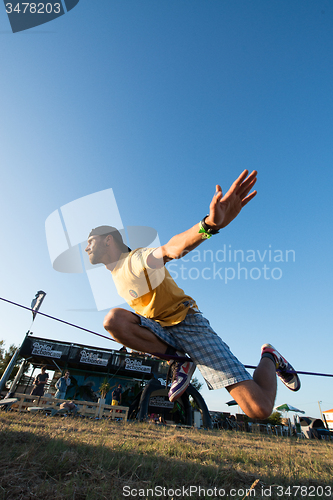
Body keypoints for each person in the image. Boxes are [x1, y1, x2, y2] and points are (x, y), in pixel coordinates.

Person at [85, 170, 300, 419]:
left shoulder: (135, 259)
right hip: (161, 330)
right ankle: (179, 360)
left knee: (259, 409)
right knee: (115, 322)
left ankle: (270, 356)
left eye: (90, 240)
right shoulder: (115, 274)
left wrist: (209, 225)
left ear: (108, 240)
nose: (87, 246)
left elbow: (170, 249)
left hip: (187, 323)